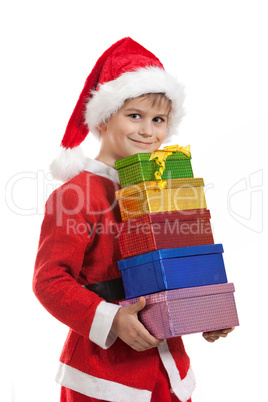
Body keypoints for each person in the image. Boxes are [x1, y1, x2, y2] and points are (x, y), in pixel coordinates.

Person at [33, 37, 233, 402]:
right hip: (104, 377)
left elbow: (176, 267)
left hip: (169, 371)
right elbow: (49, 281)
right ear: (106, 118)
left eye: (158, 119)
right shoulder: (74, 196)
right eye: (134, 115)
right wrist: (112, 319)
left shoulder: (164, 189)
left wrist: (205, 309)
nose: (147, 130)